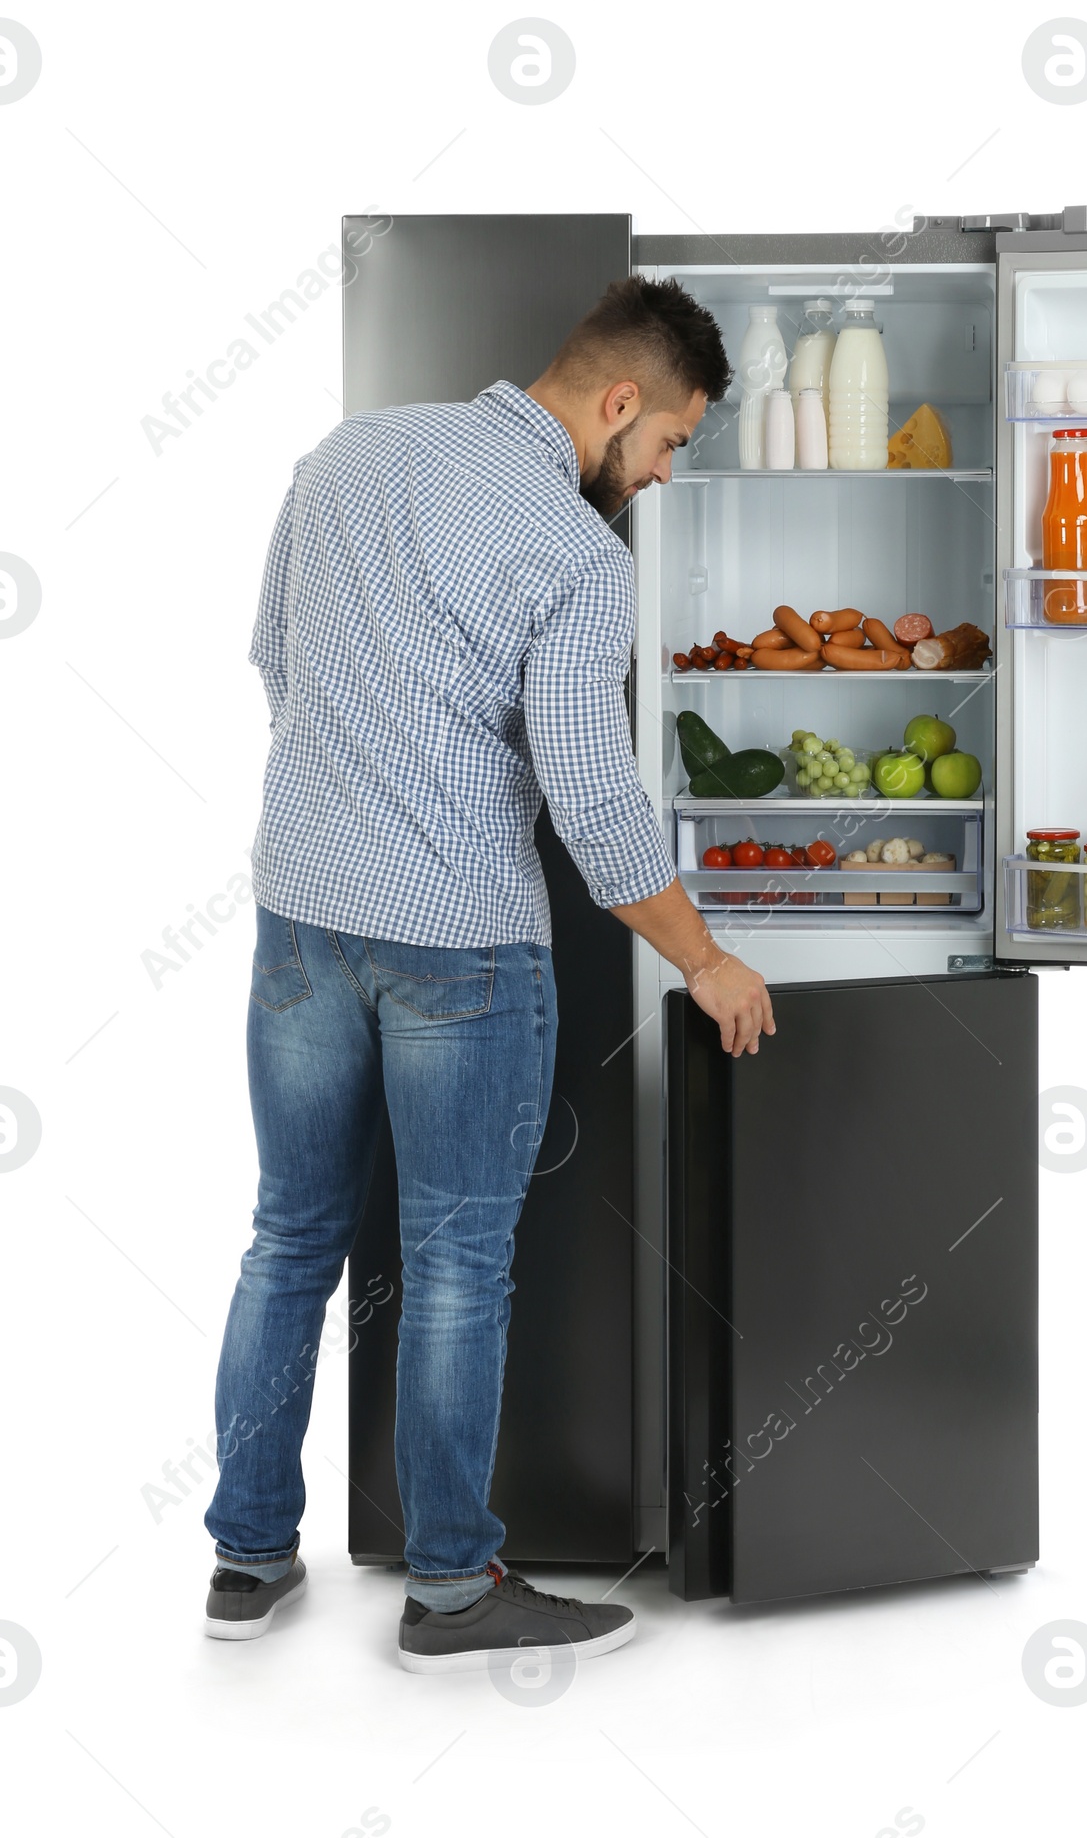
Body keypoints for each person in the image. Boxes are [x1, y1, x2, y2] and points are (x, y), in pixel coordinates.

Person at [202, 276, 774, 1672]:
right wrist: (703, 958)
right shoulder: (579, 557)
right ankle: (454, 1589)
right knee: (457, 1263)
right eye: (675, 442)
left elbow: (274, 656)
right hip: (461, 941)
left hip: (301, 917)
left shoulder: (343, 456)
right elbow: (592, 797)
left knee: (291, 1240)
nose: (666, 471)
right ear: (621, 402)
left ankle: (248, 1555)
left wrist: (360, 782)